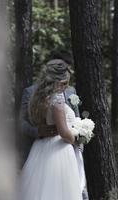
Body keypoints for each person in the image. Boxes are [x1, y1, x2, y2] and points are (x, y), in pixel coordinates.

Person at [19, 59, 88, 200]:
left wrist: (80, 132)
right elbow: (63, 132)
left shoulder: (44, 96)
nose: (67, 86)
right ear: (54, 81)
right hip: (59, 149)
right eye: (64, 82)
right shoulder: (51, 97)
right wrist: (76, 137)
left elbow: (76, 117)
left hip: (43, 149)